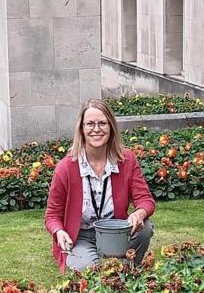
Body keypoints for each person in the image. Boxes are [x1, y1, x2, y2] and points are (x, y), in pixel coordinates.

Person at [45, 98, 156, 271]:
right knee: (87, 270)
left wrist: (139, 214)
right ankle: (89, 260)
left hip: (116, 232)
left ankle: (124, 268)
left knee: (146, 228)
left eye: (102, 123)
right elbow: (52, 215)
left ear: (111, 127)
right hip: (81, 236)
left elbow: (146, 200)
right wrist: (59, 232)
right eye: (90, 124)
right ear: (81, 129)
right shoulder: (65, 168)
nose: (96, 129)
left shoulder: (126, 160)